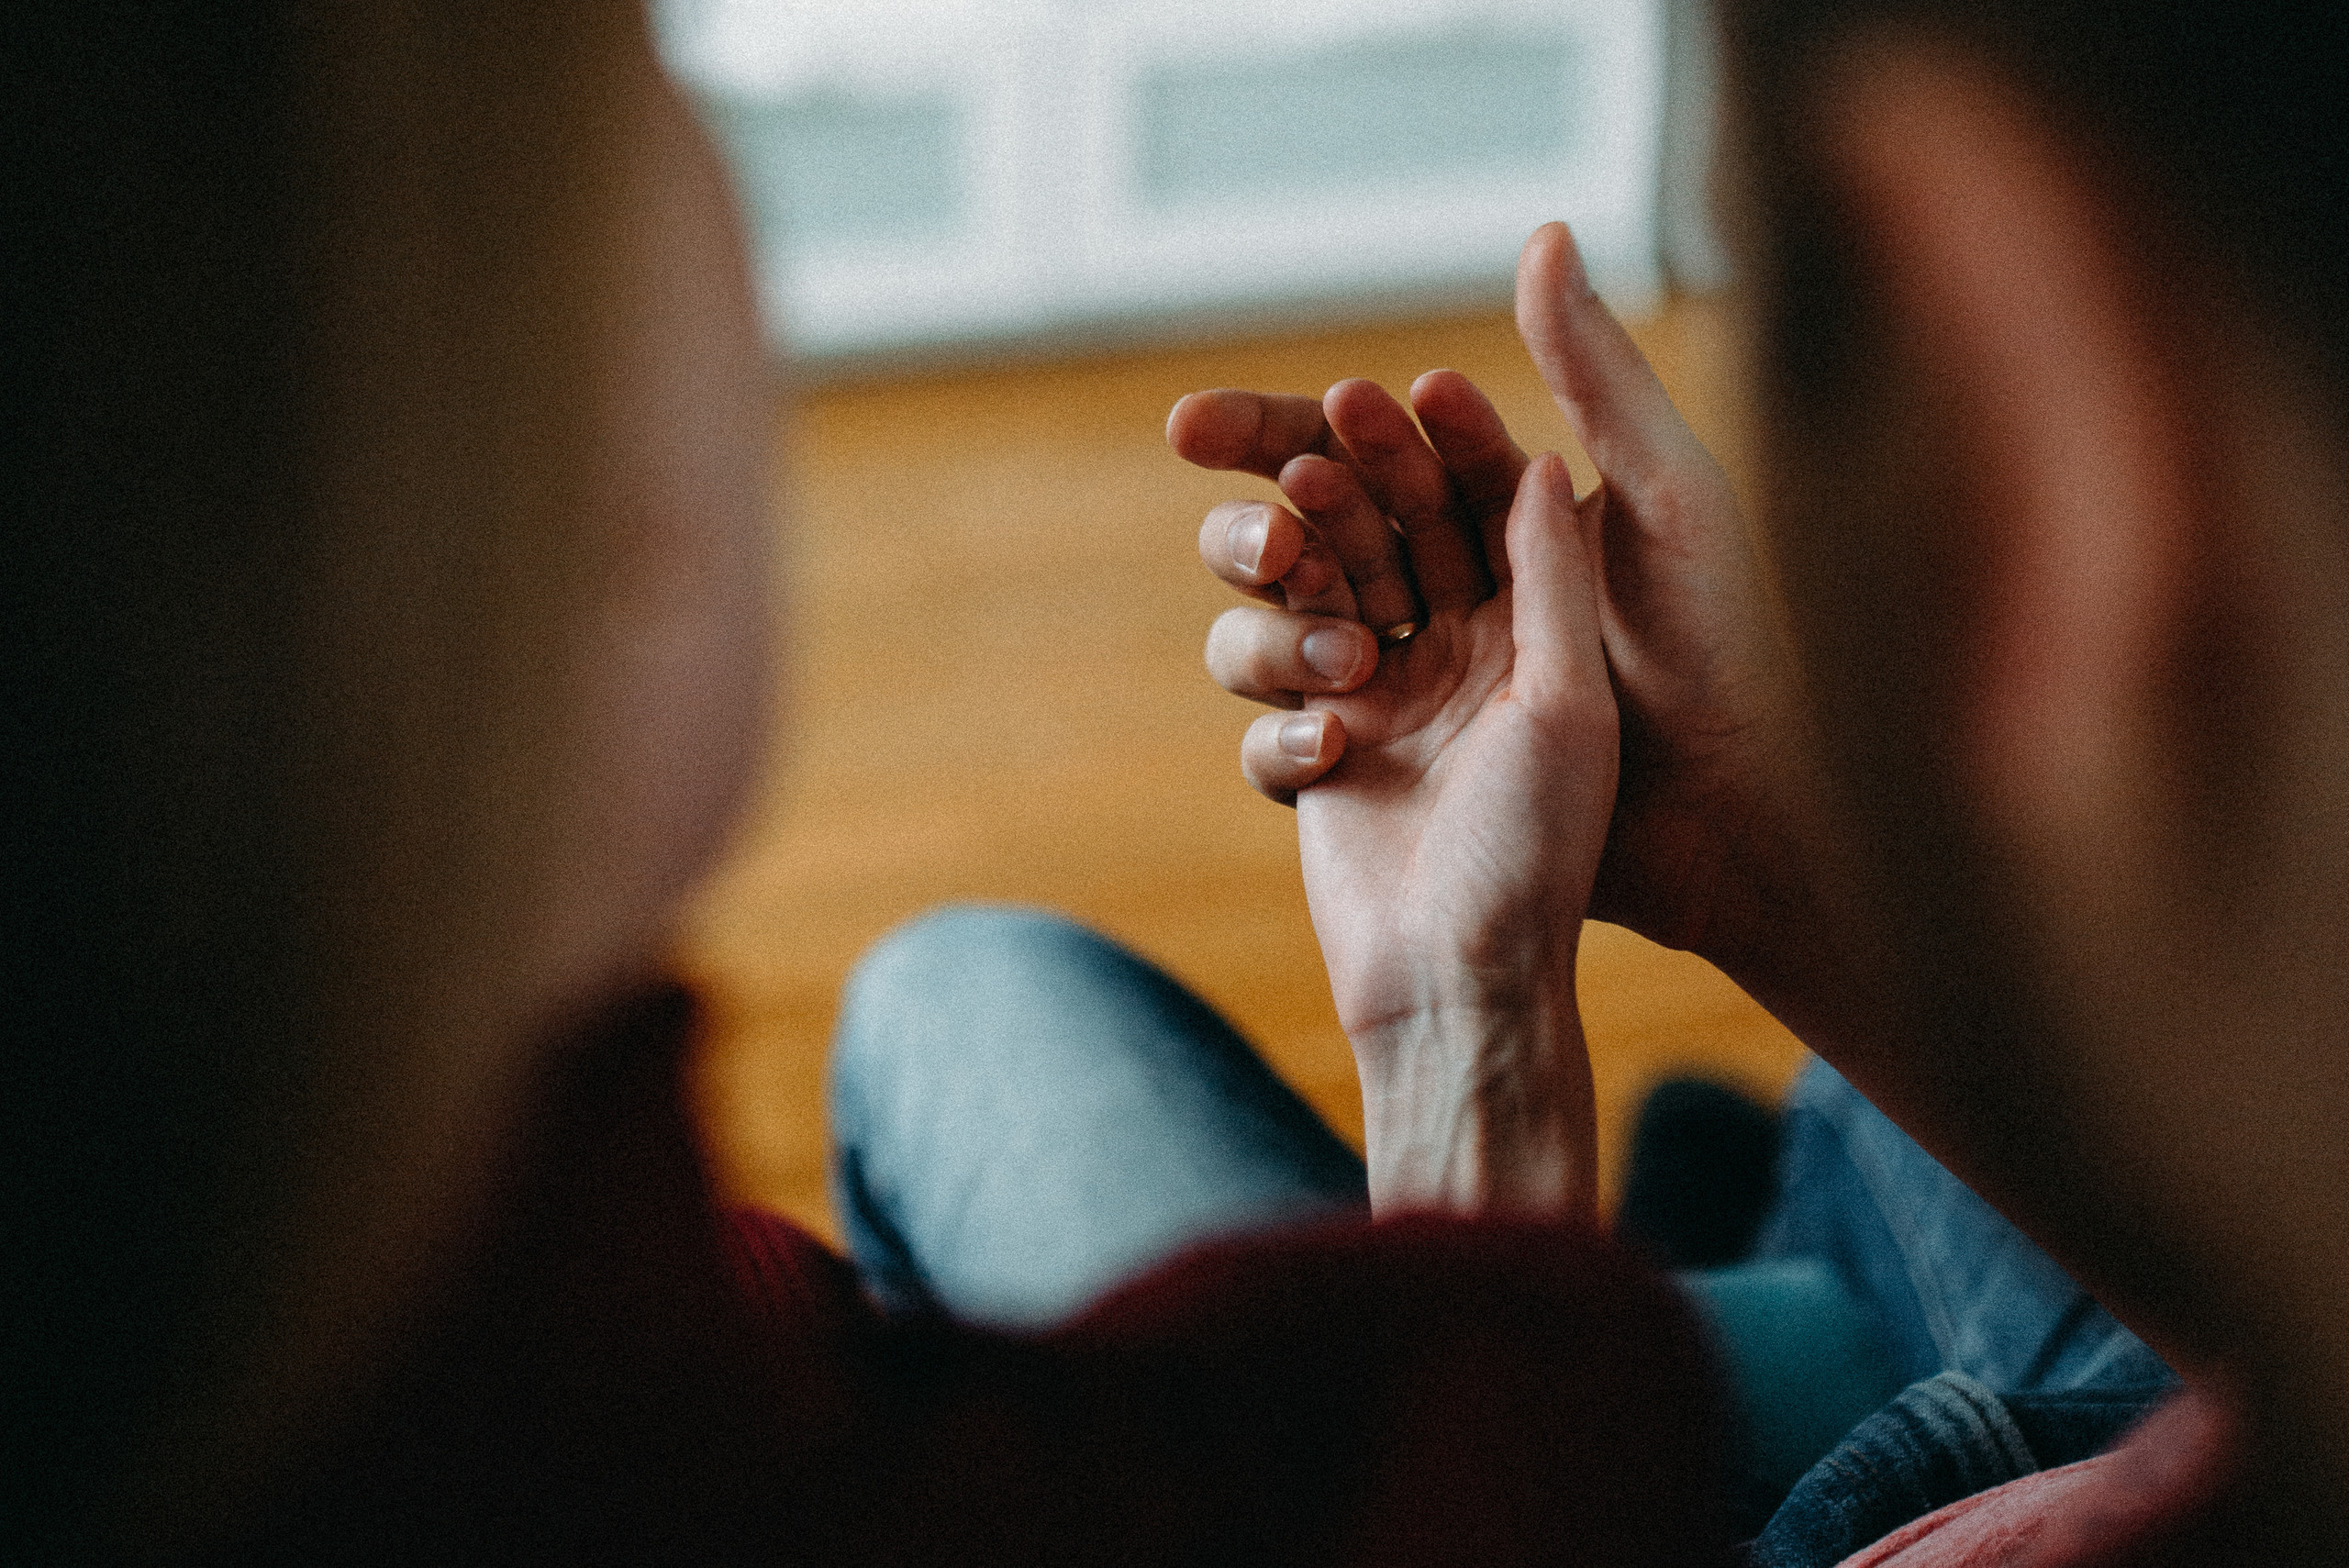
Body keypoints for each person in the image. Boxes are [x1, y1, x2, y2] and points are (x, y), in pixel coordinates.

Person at [3, 4, 1732, 1564]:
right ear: (563, 515)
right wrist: (1480, 1083)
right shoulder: (1483, 1436)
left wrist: (1460, 997)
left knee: (954, 986)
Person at [836, 0, 2349, 1561]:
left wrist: (1464, 1051)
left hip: (1789, 1425)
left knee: (954, 1002)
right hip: (2038, 1301)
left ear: (2074, 419)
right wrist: (1738, 839)